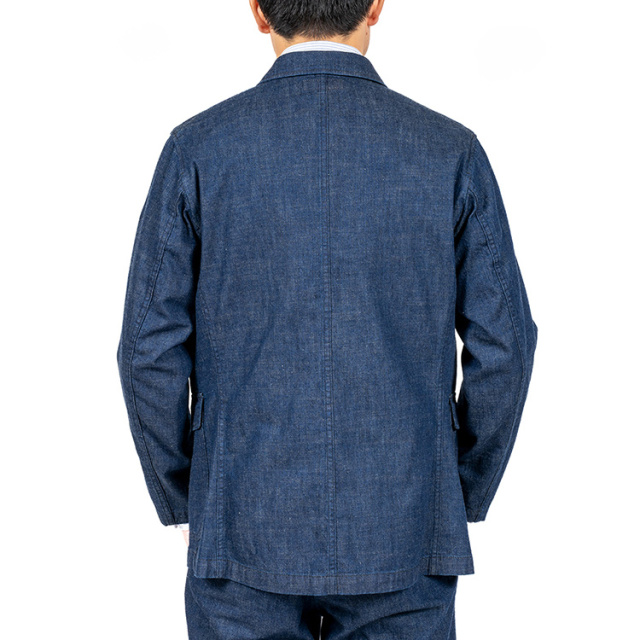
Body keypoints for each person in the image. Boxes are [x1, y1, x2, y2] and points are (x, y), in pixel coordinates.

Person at [116, 0, 538, 637]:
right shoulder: (448, 150)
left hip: (238, 521)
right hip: (404, 520)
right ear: (376, 5)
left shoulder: (198, 148)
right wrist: (454, 491)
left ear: (259, 12)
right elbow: (505, 344)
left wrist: (187, 497)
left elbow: (147, 348)